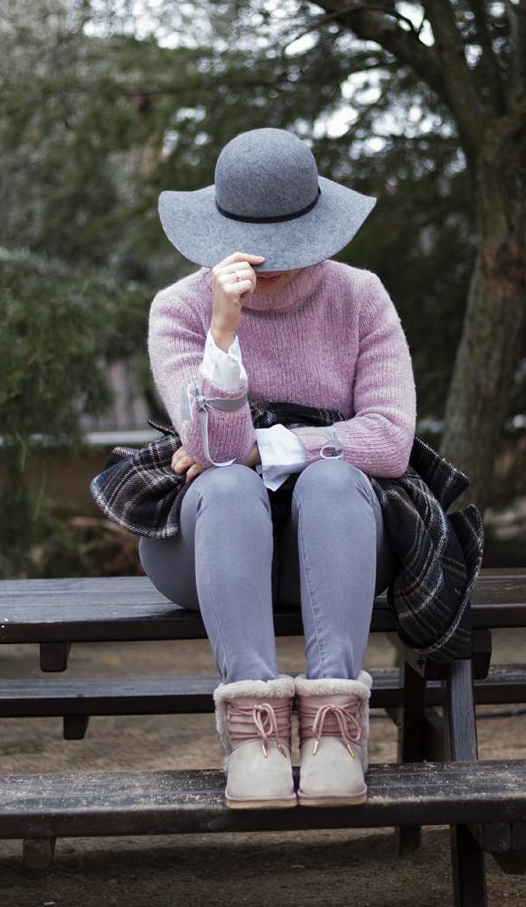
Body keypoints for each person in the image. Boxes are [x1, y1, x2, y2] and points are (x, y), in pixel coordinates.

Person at [138, 127, 416, 810]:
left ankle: (333, 730)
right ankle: (253, 737)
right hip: (210, 549)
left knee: (327, 478)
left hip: (341, 544)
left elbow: (389, 441)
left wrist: (274, 445)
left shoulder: (360, 297)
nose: (272, 263)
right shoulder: (179, 309)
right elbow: (216, 451)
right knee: (228, 484)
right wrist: (223, 334)